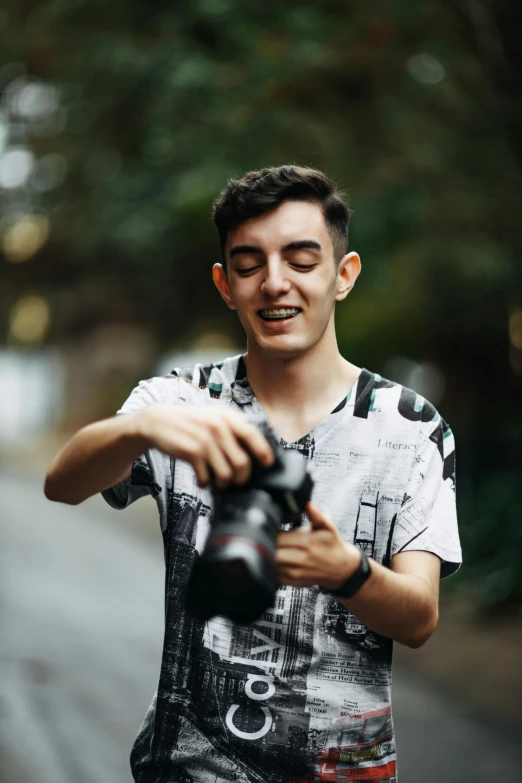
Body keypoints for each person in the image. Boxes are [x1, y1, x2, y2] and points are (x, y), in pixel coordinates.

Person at [44, 165, 462, 783]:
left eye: (300, 260)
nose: (274, 284)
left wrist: (344, 570)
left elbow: (419, 617)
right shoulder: (180, 402)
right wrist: (139, 429)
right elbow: (62, 484)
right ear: (224, 284)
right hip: (185, 768)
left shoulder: (410, 427)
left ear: (342, 276)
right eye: (248, 265)